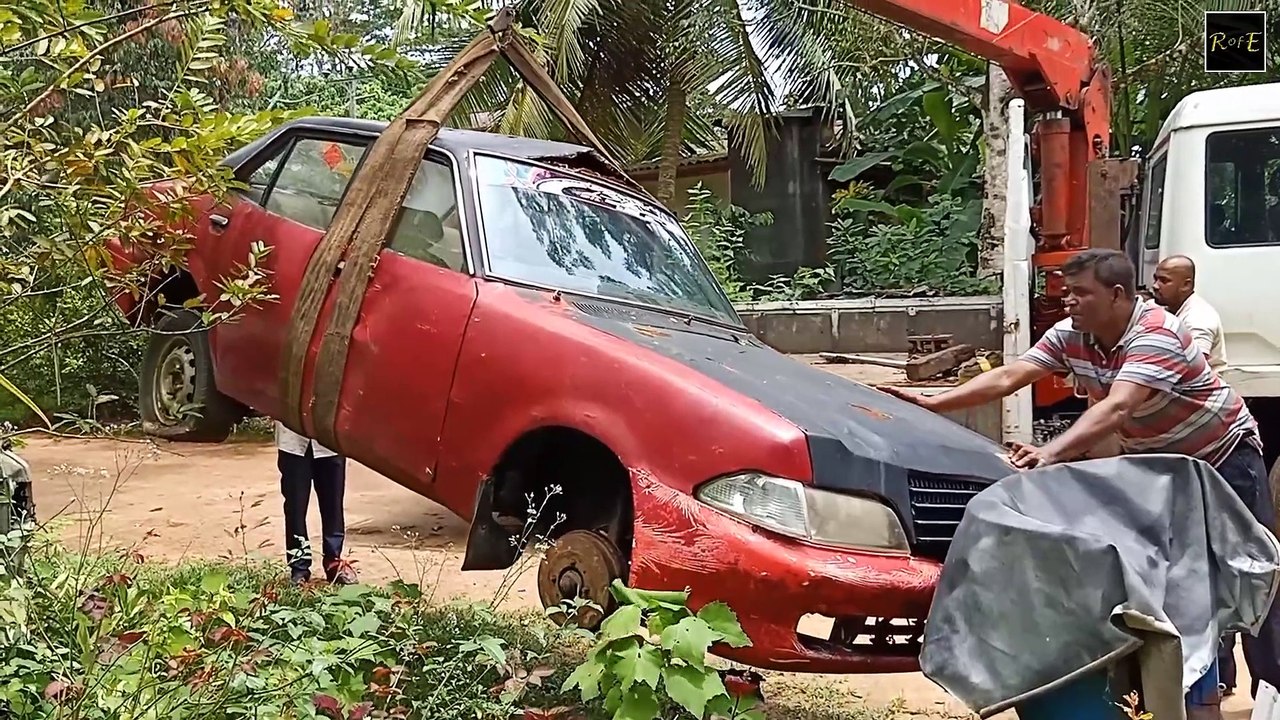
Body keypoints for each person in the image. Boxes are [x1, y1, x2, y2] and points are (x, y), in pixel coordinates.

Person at [878, 248, 1280, 698]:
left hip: (1223, 457)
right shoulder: (1073, 336)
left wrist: (1050, 453)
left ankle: (1274, 688)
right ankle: (1203, 689)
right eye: (1067, 292)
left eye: (1080, 293)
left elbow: (1118, 405)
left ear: (1117, 295)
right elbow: (1011, 376)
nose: (1069, 302)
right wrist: (937, 402)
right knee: (1178, 580)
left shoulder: (1157, 333)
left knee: (1251, 572)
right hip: (1161, 473)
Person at [275, 420, 357, 585]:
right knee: (295, 507)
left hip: (330, 440)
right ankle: (299, 567)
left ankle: (334, 561)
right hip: (292, 439)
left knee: (333, 505)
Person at [1150, 255, 1227, 375]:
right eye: (1155, 279)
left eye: (1164, 281)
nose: (1155, 286)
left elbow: (1195, 369)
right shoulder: (1161, 307)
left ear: (1186, 285)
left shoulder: (1199, 318)